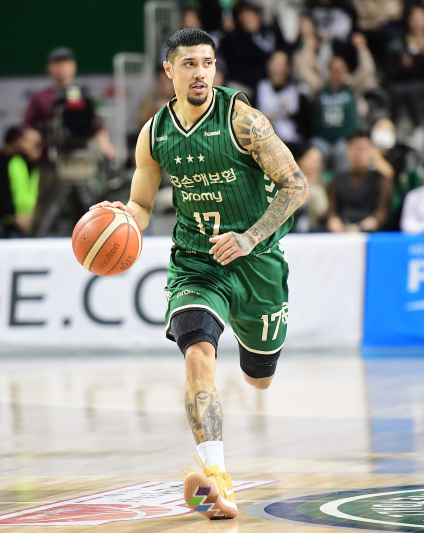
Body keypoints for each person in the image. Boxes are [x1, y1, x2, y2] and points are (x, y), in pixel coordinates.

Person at [90, 27, 308, 521]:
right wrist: (123, 218)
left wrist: (250, 237)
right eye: (189, 64)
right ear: (168, 71)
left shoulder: (244, 122)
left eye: (207, 63)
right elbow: (142, 204)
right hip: (197, 260)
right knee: (198, 355)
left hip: (256, 261)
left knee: (259, 379)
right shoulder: (154, 134)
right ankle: (216, 477)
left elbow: (296, 184)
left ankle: (254, 357)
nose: (200, 73)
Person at [22, 47, 117, 160]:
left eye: (66, 64)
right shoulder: (41, 97)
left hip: (81, 156)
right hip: (49, 157)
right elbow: (26, 125)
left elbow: (97, 126)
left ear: (74, 66)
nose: (62, 68)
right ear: (49, 67)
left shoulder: (84, 97)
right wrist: (32, 136)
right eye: (58, 64)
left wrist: (105, 145)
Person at [385, 6, 424, 148]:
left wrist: (419, 59)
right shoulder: (400, 42)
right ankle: (392, 128)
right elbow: (391, 70)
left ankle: (419, 129)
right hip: (403, 82)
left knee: (413, 90)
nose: (417, 22)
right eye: (414, 19)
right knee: (396, 90)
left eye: (421, 19)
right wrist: (402, 65)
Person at [326, 132, 392, 232]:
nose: (360, 153)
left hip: (371, 231)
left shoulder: (382, 180)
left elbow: (383, 210)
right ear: (348, 150)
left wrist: (366, 225)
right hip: (341, 229)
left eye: (364, 149)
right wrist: (333, 220)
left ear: (372, 151)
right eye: (356, 148)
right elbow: (331, 209)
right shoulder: (337, 179)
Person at [218, 2, 283, 97]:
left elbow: (281, 49)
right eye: (243, 17)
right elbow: (243, 58)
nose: (247, 19)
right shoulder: (235, 39)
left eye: (250, 15)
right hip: (243, 85)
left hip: (269, 84)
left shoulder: (270, 34)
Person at [311, 55, 357, 173]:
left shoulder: (352, 89)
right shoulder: (319, 89)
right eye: (335, 70)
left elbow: (367, 69)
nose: (337, 73)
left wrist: (361, 48)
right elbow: (303, 71)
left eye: (341, 70)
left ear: (346, 71)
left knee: (342, 151)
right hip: (322, 138)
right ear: (329, 71)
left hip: (343, 139)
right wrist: (309, 48)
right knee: (315, 152)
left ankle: (342, 183)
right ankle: (316, 183)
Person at [255, 50, 311, 146]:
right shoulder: (259, 89)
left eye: (281, 65)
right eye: (275, 64)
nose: (278, 69)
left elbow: (305, 124)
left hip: (291, 142)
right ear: (268, 65)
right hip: (264, 142)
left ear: (288, 68)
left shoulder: (297, 91)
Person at [0, 126, 23, 237]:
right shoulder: (0, 166)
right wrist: (12, 218)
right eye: (20, 140)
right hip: (9, 222)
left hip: (22, 219)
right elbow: (2, 195)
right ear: (14, 140)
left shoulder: (18, 161)